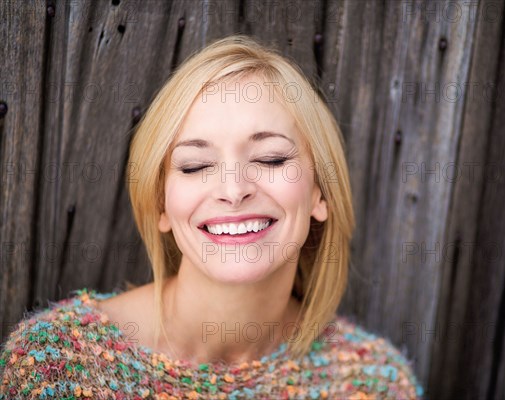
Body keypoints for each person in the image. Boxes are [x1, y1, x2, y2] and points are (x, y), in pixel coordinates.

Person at [0, 35, 423, 399]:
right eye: (195, 165)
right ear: (161, 204)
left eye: (271, 158)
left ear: (320, 192)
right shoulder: (58, 365)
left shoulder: (372, 382)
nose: (233, 189)